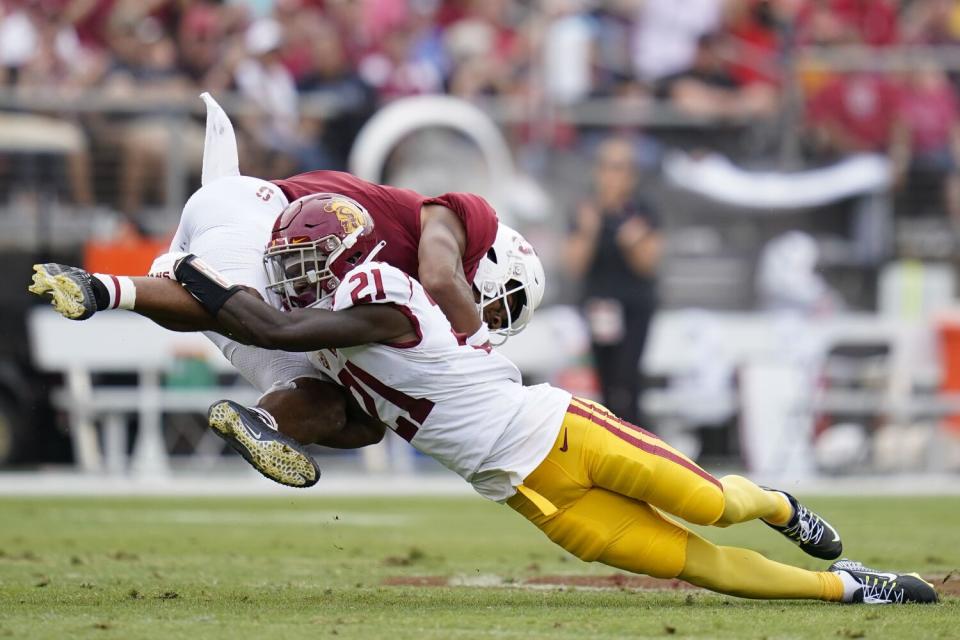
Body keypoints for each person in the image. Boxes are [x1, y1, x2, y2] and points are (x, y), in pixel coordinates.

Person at [31, 193, 938, 605]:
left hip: (561, 433)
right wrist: (136, 292)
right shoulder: (339, 313)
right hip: (526, 495)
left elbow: (275, 329)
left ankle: (781, 503)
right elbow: (314, 380)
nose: (299, 274)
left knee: (709, 500)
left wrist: (193, 277)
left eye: (313, 263)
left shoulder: (386, 308)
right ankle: (848, 592)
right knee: (695, 566)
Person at [565, 137, 662, 426]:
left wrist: (632, 242)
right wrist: (589, 232)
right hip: (599, 306)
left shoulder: (643, 210)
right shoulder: (586, 211)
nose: (612, 176)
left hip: (634, 306)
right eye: (607, 167)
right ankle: (613, 442)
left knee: (629, 377)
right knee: (606, 382)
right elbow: (573, 264)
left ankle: (639, 440)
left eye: (620, 168)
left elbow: (649, 263)